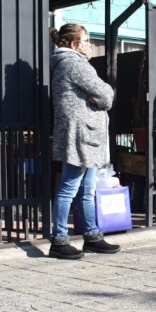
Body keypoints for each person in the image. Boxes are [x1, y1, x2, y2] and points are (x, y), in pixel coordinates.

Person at [48, 23, 120, 259]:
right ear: (73, 44)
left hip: (85, 134)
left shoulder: (67, 64)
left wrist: (99, 97)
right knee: (70, 187)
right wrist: (101, 99)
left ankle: (92, 236)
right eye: (86, 40)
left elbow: (101, 94)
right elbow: (107, 94)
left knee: (87, 189)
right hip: (81, 134)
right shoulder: (74, 63)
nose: (89, 45)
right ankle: (59, 240)